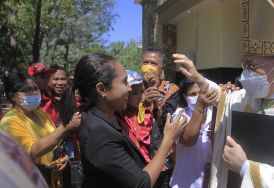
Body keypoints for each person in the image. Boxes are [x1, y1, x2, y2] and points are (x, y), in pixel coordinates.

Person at [173, 0, 274, 187]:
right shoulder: (255, 95)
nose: (245, 74)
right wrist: (199, 79)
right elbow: (225, 99)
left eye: (252, 66)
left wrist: (245, 168)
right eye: (244, 64)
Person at [62, 53, 187, 187]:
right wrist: (168, 139)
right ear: (102, 89)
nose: (129, 88)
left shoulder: (109, 116)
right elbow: (141, 184)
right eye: (124, 82)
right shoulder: (99, 133)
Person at [0, 72, 81, 188]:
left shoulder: (39, 113)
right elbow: (32, 151)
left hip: (53, 179)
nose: (34, 93)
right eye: (28, 90)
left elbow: (54, 140)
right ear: (13, 96)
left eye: (35, 89)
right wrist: (66, 127)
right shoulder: (10, 121)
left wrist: (64, 157)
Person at [141, 45, 182, 187]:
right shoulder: (132, 88)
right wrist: (142, 100)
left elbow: (168, 121)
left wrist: (156, 100)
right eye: (145, 62)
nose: (149, 66)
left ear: (161, 67)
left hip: (163, 156)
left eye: (153, 63)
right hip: (137, 155)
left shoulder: (171, 90)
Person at [169, 78, 216, 188]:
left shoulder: (215, 113)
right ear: (185, 97)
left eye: (201, 93)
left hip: (210, 182)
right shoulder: (180, 115)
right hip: (184, 183)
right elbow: (187, 140)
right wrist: (199, 108)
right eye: (193, 94)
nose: (199, 97)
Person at [121, 69, 153, 163]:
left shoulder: (144, 110)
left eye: (142, 91)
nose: (140, 96)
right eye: (135, 93)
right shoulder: (123, 114)